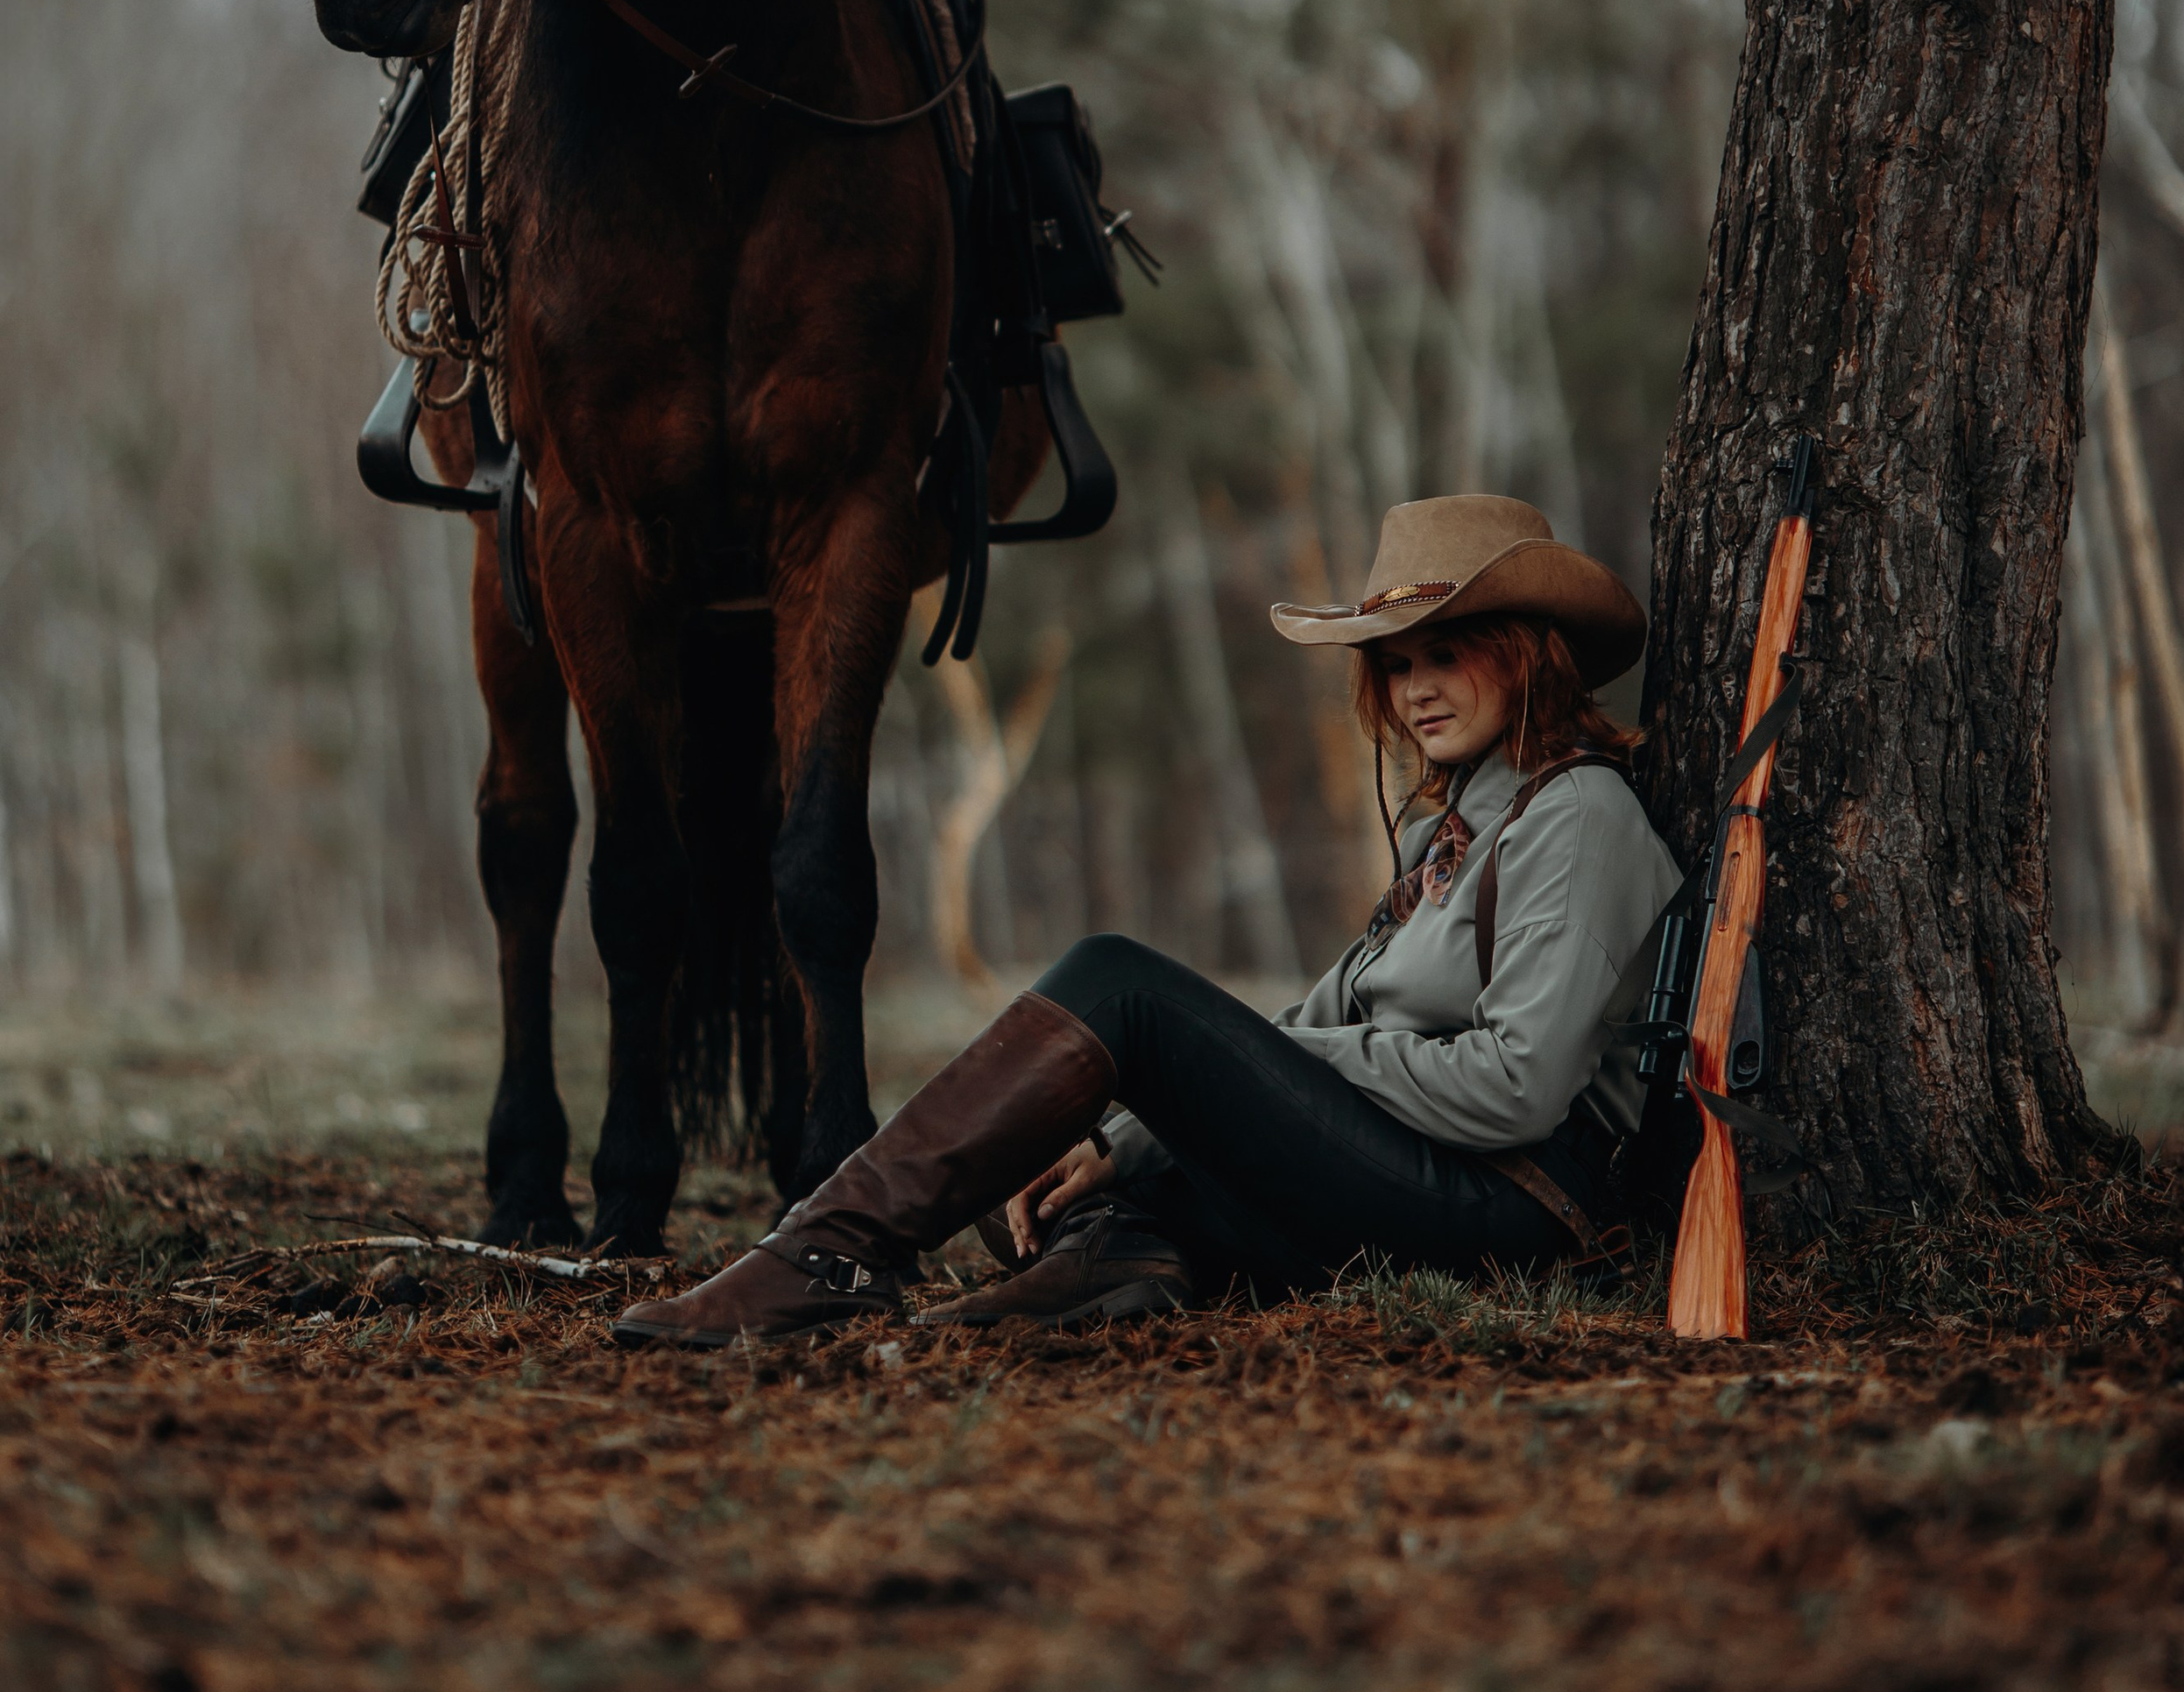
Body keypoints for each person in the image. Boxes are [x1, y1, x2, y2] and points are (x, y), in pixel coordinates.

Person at [614, 494, 1682, 1348]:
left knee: (1116, 984)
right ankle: (1119, 1252)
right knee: (1048, 1159)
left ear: (1528, 651)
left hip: (1509, 1204)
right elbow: (1307, 1029)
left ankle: (828, 1254)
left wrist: (1271, 1064)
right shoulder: (1445, 832)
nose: (1413, 694)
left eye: (1445, 655)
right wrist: (1122, 1139)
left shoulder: (1578, 813)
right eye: (1396, 667)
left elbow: (1517, 1086)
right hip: (1411, 1172)